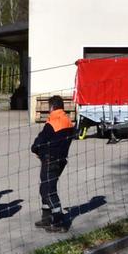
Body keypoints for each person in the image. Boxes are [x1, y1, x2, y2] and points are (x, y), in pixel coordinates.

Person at [30, 95, 75, 233]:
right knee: (45, 187)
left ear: (52, 107)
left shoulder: (52, 123)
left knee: (49, 190)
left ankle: (59, 221)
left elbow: (40, 140)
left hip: (50, 160)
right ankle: (46, 218)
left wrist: (35, 148)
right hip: (61, 160)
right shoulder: (68, 121)